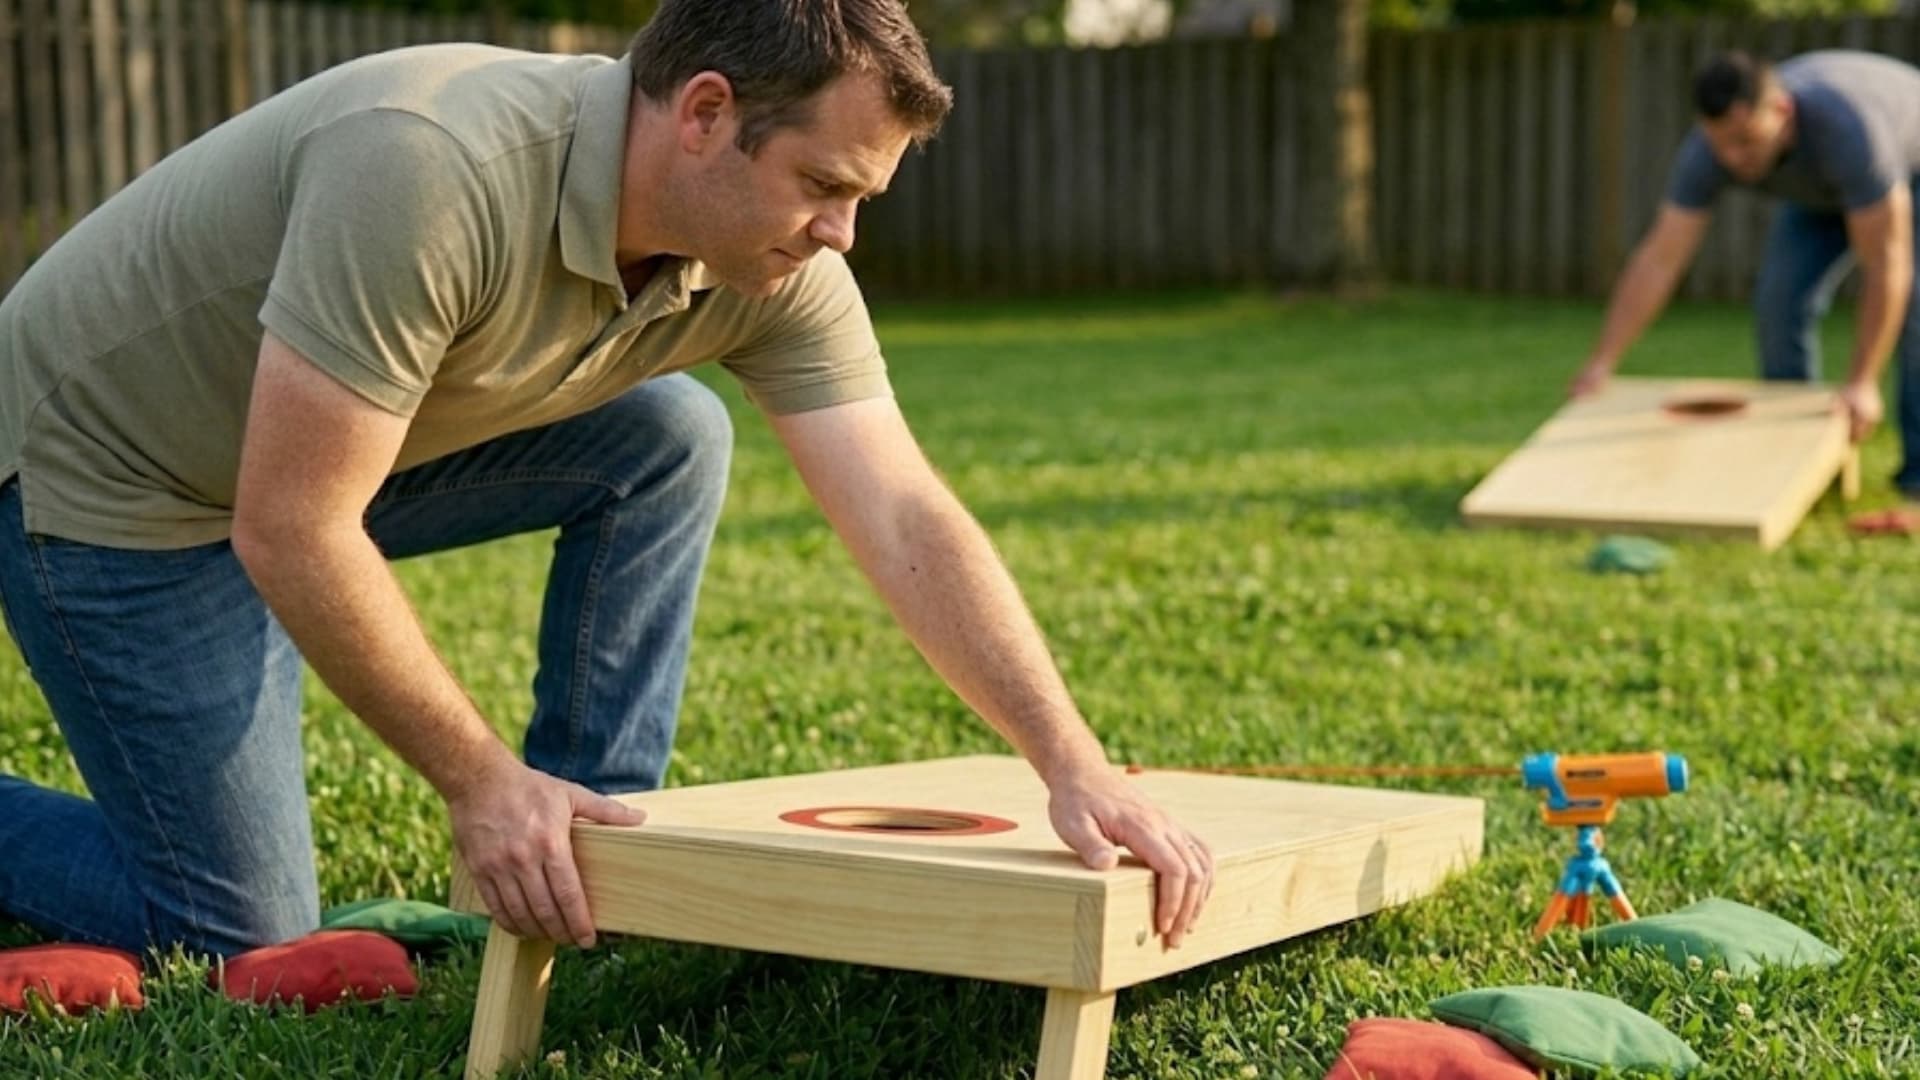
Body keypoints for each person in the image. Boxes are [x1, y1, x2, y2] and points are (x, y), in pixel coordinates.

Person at [0, 0, 1213, 966]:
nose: (844, 233)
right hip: (110, 481)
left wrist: (1071, 759)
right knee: (238, 934)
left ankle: (590, 842)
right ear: (704, 112)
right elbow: (292, 525)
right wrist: (477, 783)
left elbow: (903, 510)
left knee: (668, 436)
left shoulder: (771, 267)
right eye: (826, 186)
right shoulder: (429, 169)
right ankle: (517, 816)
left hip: (314, 454)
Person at [1571, 49, 1920, 510]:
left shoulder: (1849, 129)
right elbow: (1659, 259)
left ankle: (1917, 477)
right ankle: (1797, 458)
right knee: (1778, 300)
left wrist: (1861, 380)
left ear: (1781, 110)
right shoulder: (1706, 152)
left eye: (1746, 141)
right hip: (1820, 194)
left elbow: (1886, 262)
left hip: (1906, 168)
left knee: (1914, 313)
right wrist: (1602, 361)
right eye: (1721, 144)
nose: (1734, 158)